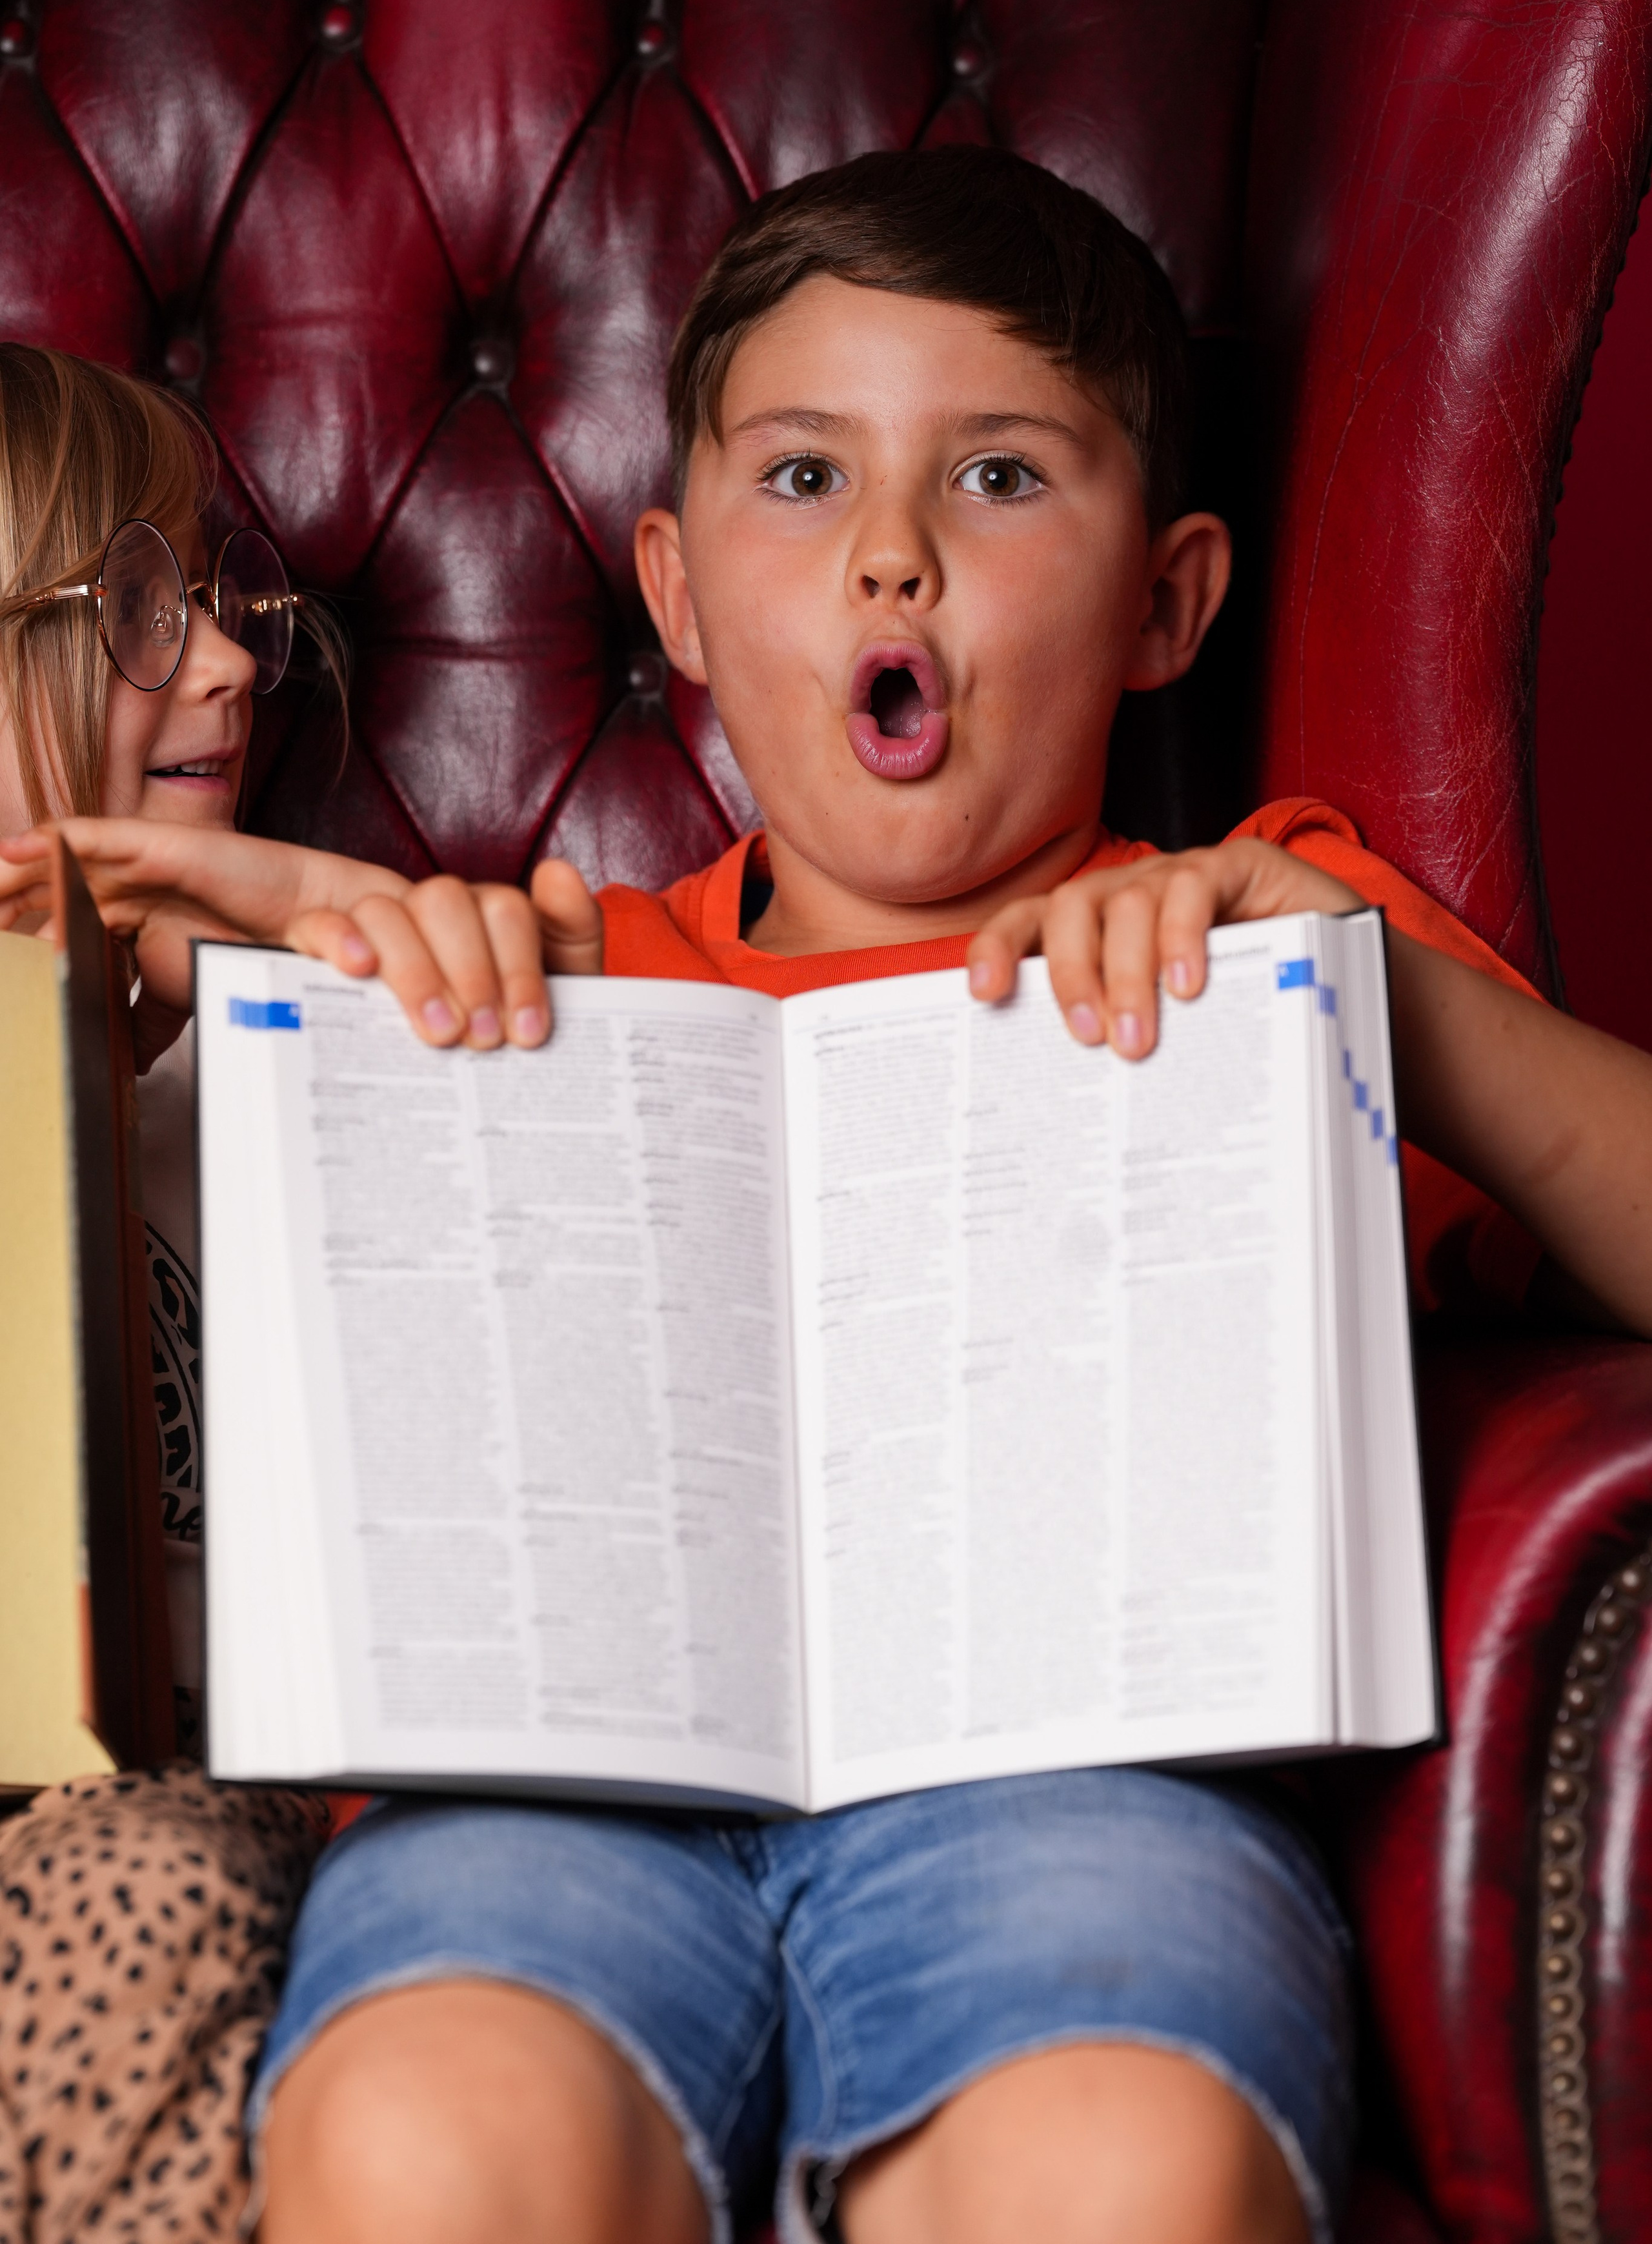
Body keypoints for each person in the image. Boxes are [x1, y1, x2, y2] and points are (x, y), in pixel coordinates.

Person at [5, 150, 1649, 2244]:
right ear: (678, 598)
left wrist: (1376, 994)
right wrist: (322, 976)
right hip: (557, 1794)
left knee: (1124, 2170)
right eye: (805, 482)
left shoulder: (1260, 942)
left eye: (998, 481)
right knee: (425, 2147)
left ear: (1166, 601)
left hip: (1076, 1791)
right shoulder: (556, 969)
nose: (893, 558)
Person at [0, 345, 337, 2240]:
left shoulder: (290, 1024)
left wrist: (272, 975)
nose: (223, 664)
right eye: (137, 607)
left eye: (223, 600)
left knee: (156, 1880)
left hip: (174, 1796)